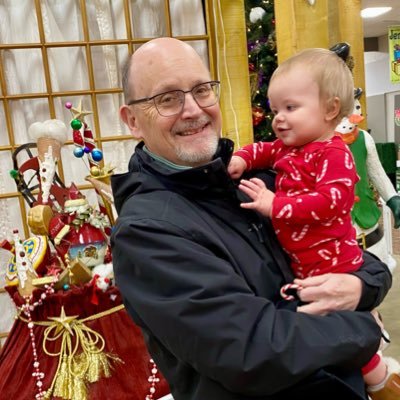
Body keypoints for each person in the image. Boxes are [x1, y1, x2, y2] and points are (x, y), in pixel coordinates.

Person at [111, 38, 392, 400]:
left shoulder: (250, 182)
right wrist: (362, 327)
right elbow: (253, 350)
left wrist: (362, 287)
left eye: (202, 90)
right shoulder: (147, 232)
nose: (193, 109)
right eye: (168, 99)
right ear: (132, 120)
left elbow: (341, 248)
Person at [228, 47, 400, 399]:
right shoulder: (288, 148)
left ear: (331, 109)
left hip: (332, 262)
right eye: (275, 110)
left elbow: (329, 203)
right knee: (325, 325)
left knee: (341, 327)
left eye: (290, 108)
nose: (279, 119)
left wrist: (276, 204)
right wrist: (241, 158)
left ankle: (381, 379)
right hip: (303, 263)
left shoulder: (333, 154)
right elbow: (262, 150)